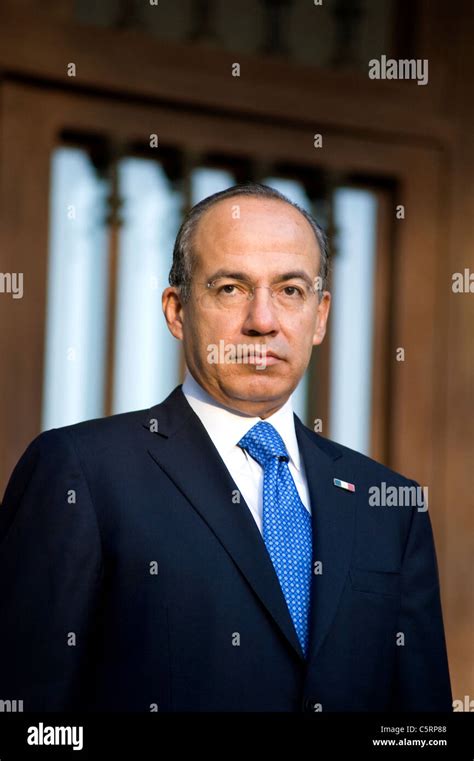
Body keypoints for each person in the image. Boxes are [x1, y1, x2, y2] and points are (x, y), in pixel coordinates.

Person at [0, 183, 452, 712]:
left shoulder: (387, 505)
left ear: (320, 316)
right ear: (176, 310)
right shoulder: (81, 473)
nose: (263, 321)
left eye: (290, 290)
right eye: (231, 287)